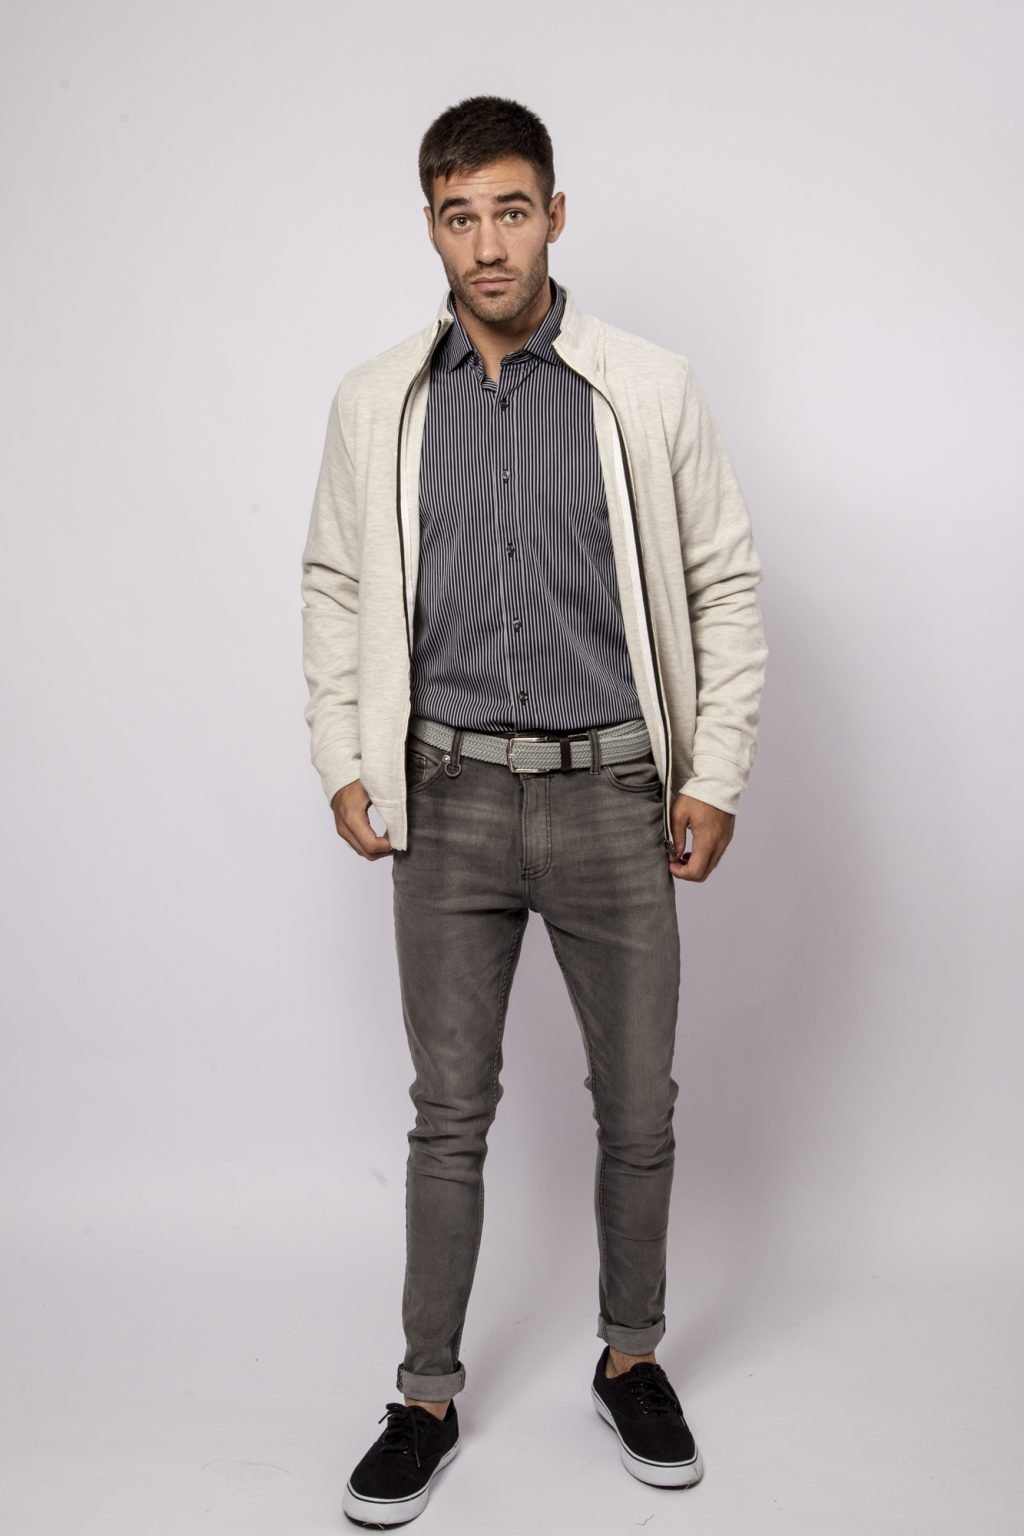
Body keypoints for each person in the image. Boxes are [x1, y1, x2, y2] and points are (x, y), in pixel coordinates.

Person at [300, 93, 768, 1527]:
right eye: (461, 216)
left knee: (639, 1106)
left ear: (555, 215)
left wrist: (713, 772)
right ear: (431, 227)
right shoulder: (380, 399)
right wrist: (343, 755)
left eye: (512, 210)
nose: (489, 243)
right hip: (444, 802)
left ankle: (632, 1359)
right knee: (450, 1114)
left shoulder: (647, 386)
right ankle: (425, 1395)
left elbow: (722, 580)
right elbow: (334, 582)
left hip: (615, 796)